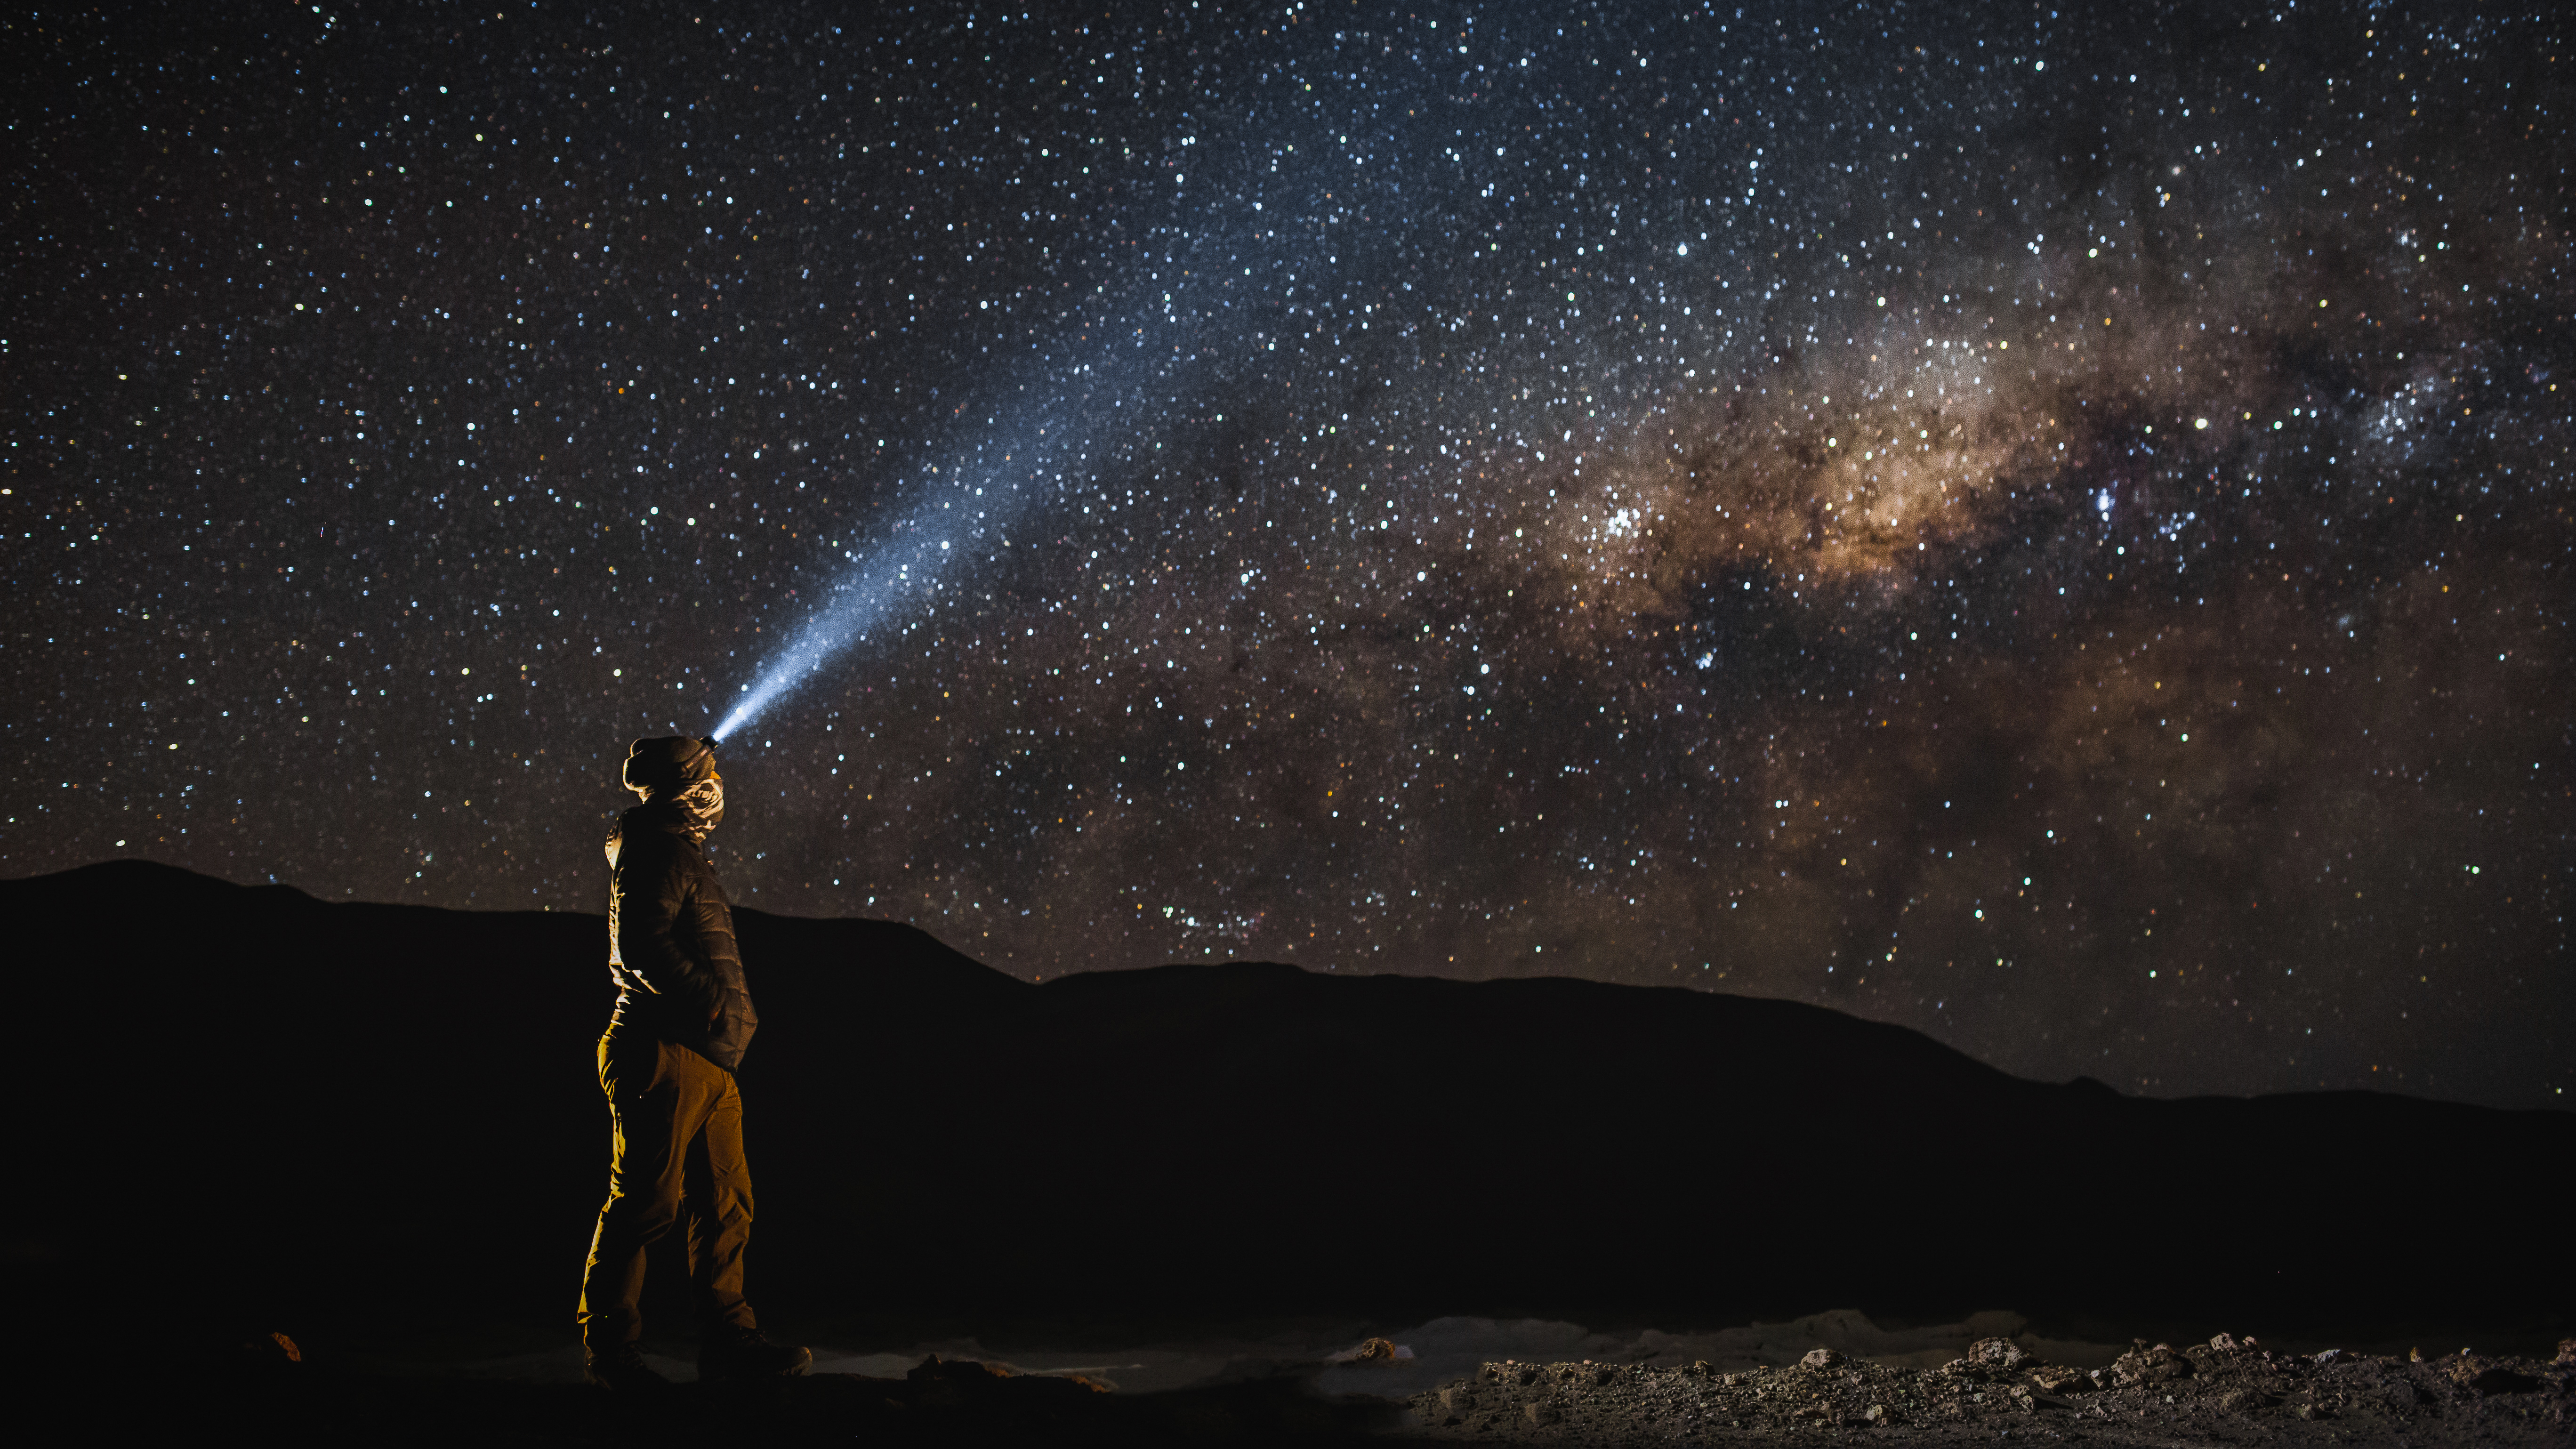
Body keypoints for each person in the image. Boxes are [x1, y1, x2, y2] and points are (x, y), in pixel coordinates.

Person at [577, 735, 811, 1390]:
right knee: (647, 1204)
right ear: (686, 787)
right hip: (666, 1049)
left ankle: (730, 1342)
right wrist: (710, 1001)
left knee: (726, 1203)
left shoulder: (674, 850)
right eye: (707, 776)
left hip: (706, 1060)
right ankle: (612, 1351)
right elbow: (639, 945)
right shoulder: (657, 848)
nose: (717, 786)